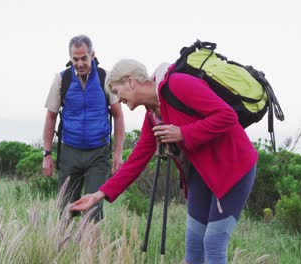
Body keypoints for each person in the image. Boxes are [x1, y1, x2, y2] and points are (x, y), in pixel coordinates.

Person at [69, 59, 258, 263]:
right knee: (194, 245)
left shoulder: (179, 84)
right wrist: (99, 194)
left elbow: (227, 116)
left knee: (213, 243)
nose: (117, 97)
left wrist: (183, 133)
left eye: (116, 90)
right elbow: (136, 160)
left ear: (130, 81)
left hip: (232, 169)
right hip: (200, 175)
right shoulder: (153, 115)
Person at [42, 35, 125, 222]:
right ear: (70, 57)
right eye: (75, 59)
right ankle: (63, 251)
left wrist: (118, 153)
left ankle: (89, 251)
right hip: (70, 152)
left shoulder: (106, 78)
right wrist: (47, 155)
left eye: (84, 58)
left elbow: (118, 116)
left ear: (92, 55)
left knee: (93, 211)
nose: (79, 63)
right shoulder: (61, 79)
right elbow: (50, 117)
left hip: (98, 154)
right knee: (65, 210)